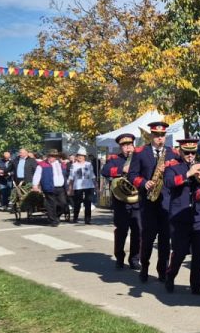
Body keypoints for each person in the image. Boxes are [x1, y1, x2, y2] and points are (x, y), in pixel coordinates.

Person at [128, 121, 179, 282]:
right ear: (151, 136)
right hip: (148, 203)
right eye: (156, 135)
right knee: (148, 238)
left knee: (165, 240)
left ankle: (162, 271)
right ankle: (144, 267)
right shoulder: (140, 152)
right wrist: (144, 183)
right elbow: (132, 175)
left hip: (166, 202)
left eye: (162, 135)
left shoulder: (173, 153)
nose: (159, 138)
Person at [162, 137, 200, 295]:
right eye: (187, 152)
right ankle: (170, 276)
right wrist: (188, 174)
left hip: (198, 214)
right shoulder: (172, 165)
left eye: (193, 152)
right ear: (180, 151)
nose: (191, 155)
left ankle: (196, 286)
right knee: (180, 251)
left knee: (199, 253)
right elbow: (169, 183)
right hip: (179, 215)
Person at [101, 133, 141, 270]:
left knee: (138, 231)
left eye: (130, 145)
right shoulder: (115, 159)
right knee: (121, 231)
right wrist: (121, 169)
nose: (128, 148)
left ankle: (135, 259)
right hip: (121, 202)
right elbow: (105, 171)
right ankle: (119, 257)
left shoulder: (139, 158)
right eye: (124, 146)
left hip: (138, 201)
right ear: (120, 147)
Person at [32, 150, 68, 226]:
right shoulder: (42, 165)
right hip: (49, 187)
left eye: (53, 156)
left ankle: (55, 216)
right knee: (51, 204)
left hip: (60, 187)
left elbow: (65, 175)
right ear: (48, 156)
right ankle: (53, 220)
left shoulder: (61, 164)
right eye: (50, 156)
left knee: (63, 204)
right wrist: (35, 185)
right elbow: (37, 175)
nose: (51, 158)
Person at [67, 149, 97, 224]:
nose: (80, 157)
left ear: (84, 157)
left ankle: (87, 219)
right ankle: (75, 218)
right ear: (77, 157)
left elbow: (92, 175)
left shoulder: (88, 164)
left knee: (88, 203)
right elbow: (71, 177)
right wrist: (70, 188)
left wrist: (96, 185)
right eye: (79, 156)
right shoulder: (74, 165)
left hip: (89, 185)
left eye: (82, 156)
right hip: (78, 186)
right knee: (77, 203)